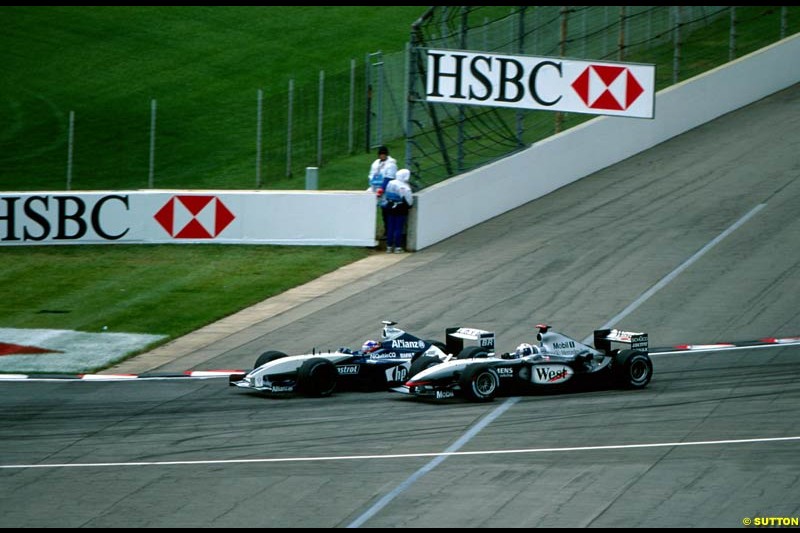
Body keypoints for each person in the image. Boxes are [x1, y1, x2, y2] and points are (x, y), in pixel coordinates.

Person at [366, 145, 397, 238]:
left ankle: (388, 231)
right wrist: (372, 184)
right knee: (371, 209)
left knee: (386, 212)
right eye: (380, 154)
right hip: (375, 189)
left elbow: (389, 177)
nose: (382, 156)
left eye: (383, 154)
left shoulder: (391, 164)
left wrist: (382, 189)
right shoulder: (376, 163)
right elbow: (371, 175)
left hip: (386, 191)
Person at [382, 168, 413, 253]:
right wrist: (409, 206)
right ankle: (398, 247)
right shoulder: (404, 187)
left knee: (390, 227)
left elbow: (386, 193)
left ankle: (388, 246)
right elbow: (409, 200)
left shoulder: (390, 183)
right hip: (400, 208)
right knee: (398, 227)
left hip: (389, 206)